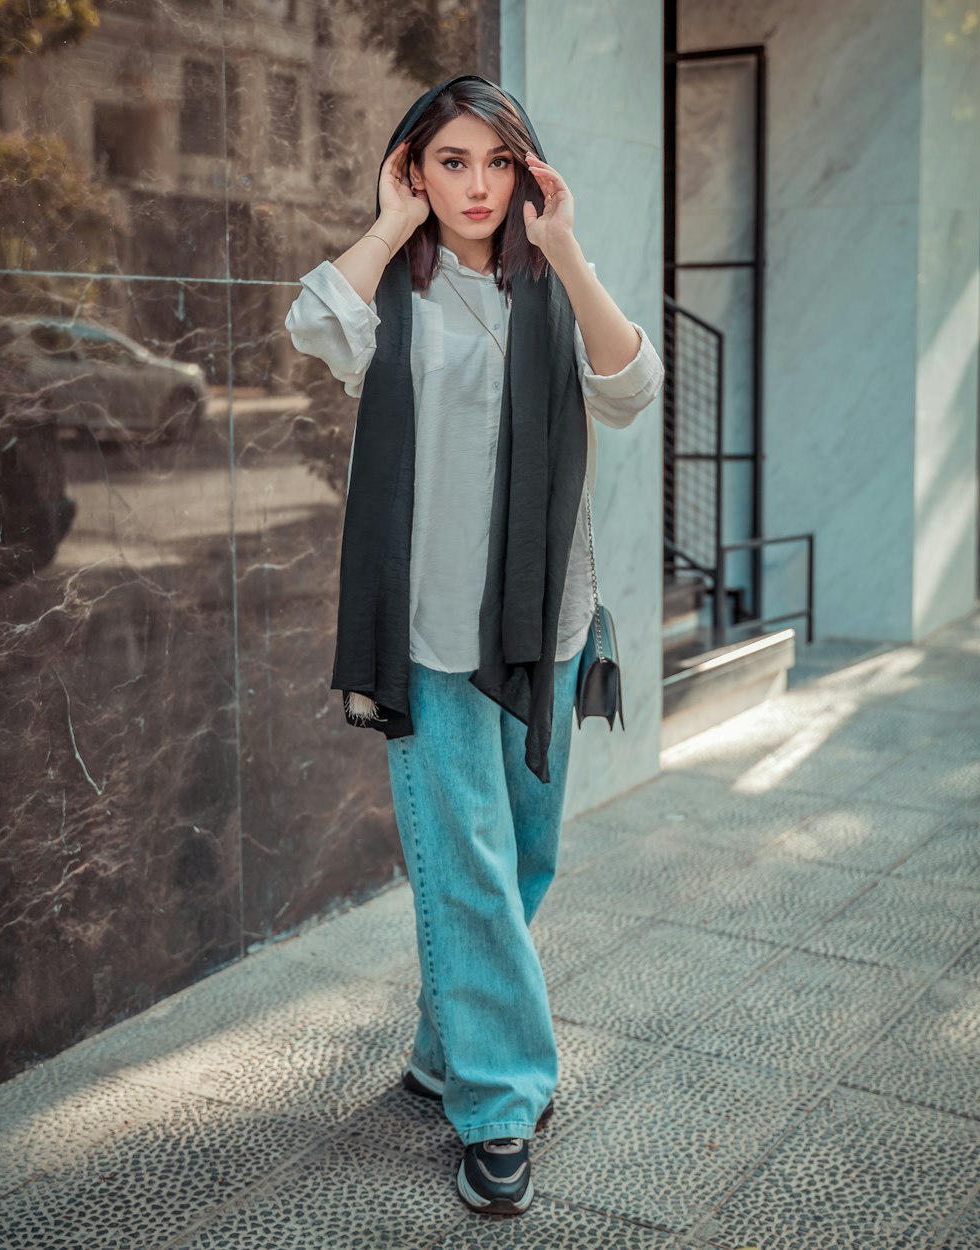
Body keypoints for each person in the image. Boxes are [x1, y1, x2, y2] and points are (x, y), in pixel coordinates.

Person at [285, 74, 664, 1217]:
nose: (477, 185)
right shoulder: (394, 294)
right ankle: (498, 1106)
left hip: (544, 625)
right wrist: (391, 222)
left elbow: (631, 385)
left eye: (496, 162)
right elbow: (312, 324)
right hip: (431, 636)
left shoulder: (550, 285)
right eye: (450, 161)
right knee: (474, 870)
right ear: (415, 169)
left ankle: (441, 1046)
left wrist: (570, 248)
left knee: (519, 865)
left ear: (526, 173)